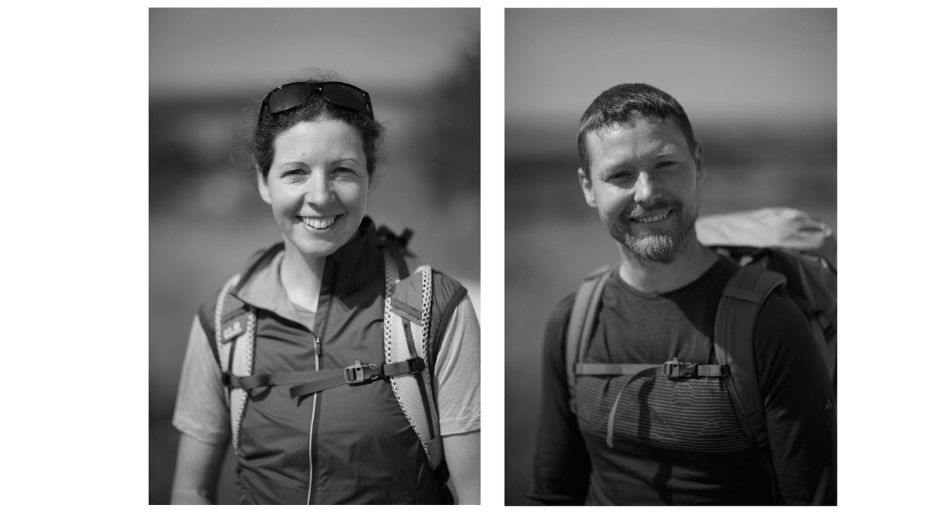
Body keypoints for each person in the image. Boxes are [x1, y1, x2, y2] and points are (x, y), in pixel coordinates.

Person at [169, 77, 480, 504]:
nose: (319, 195)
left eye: (343, 171)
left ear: (369, 176)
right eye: (296, 172)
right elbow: (190, 492)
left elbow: (477, 494)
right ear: (264, 182)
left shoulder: (436, 311)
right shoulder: (224, 320)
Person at [528, 83, 836, 505]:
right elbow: (552, 494)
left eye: (665, 164)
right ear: (587, 187)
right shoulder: (573, 322)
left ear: (698, 163)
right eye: (620, 174)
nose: (647, 192)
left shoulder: (771, 324)